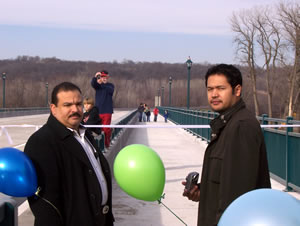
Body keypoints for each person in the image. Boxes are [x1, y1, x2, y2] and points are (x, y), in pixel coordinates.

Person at [182, 64, 271, 226]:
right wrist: (204, 190)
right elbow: (228, 181)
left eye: (220, 88)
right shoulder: (227, 125)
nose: (214, 94)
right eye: (210, 89)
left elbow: (237, 197)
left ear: (237, 90)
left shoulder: (241, 127)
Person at [24, 82, 114, 226]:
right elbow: (45, 204)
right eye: (67, 105)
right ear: (53, 109)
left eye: (79, 104)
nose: (75, 109)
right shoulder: (42, 142)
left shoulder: (85, 134)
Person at [91, 70, 114, 148]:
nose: (103, 78)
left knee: (106, 129)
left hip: (107, 111)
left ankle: (106, 145)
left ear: (107, 77)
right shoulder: (98, 86)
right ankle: (99, 146)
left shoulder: (110, 85)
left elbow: (110, 91)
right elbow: (93, 84)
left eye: (105, 77)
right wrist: (95, 78)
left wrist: (101, 83)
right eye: (102, 76)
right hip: (98, 111)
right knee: (98, 130)